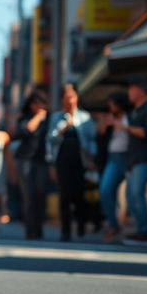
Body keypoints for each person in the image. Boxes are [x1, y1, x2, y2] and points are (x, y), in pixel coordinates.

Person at [47, 84, 97, 241]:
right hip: (62, 160)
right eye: (66, 97)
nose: (69, 100)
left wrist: (91, 157)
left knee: (79, 195)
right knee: (64, 195)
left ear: (76, 99)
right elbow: (50, 140)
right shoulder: (56, 118)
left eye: (71, 97)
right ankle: (65, 231)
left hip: (80, 160)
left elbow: (92, 140)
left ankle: (81, 224)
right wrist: (62, 129)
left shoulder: (85, 118)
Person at [121, 78, 147, 246]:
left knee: (137, 192)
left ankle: (144, 232)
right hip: (132, 159)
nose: (129, 93)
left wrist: (124, 127)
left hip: (145, 158)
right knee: (130, 195)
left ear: (141, 90)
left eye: (132, 89)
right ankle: (139, 230)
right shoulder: (132, 112)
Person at [97, 90, 132, 243]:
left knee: (132, 193)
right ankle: (113, 224)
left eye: (112, 104)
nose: (110, 107)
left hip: (129, 157)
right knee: (105, 189)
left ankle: (138, 228)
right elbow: (100, 137)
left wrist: (122, 126)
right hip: (113, 157)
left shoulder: (132, 116)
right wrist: (105, 125)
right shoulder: (110, 118)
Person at [15, 91, 50, 240]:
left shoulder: (49, 119)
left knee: (41, 194)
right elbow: (27, 129)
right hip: (25, 160)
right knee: (28, 196)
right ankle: (30, 230)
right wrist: (38, 117)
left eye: (41, 104)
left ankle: (39, 227)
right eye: (35, 104)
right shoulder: (24, 118)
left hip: (42, 160)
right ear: (30, 105)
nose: (39, 106)